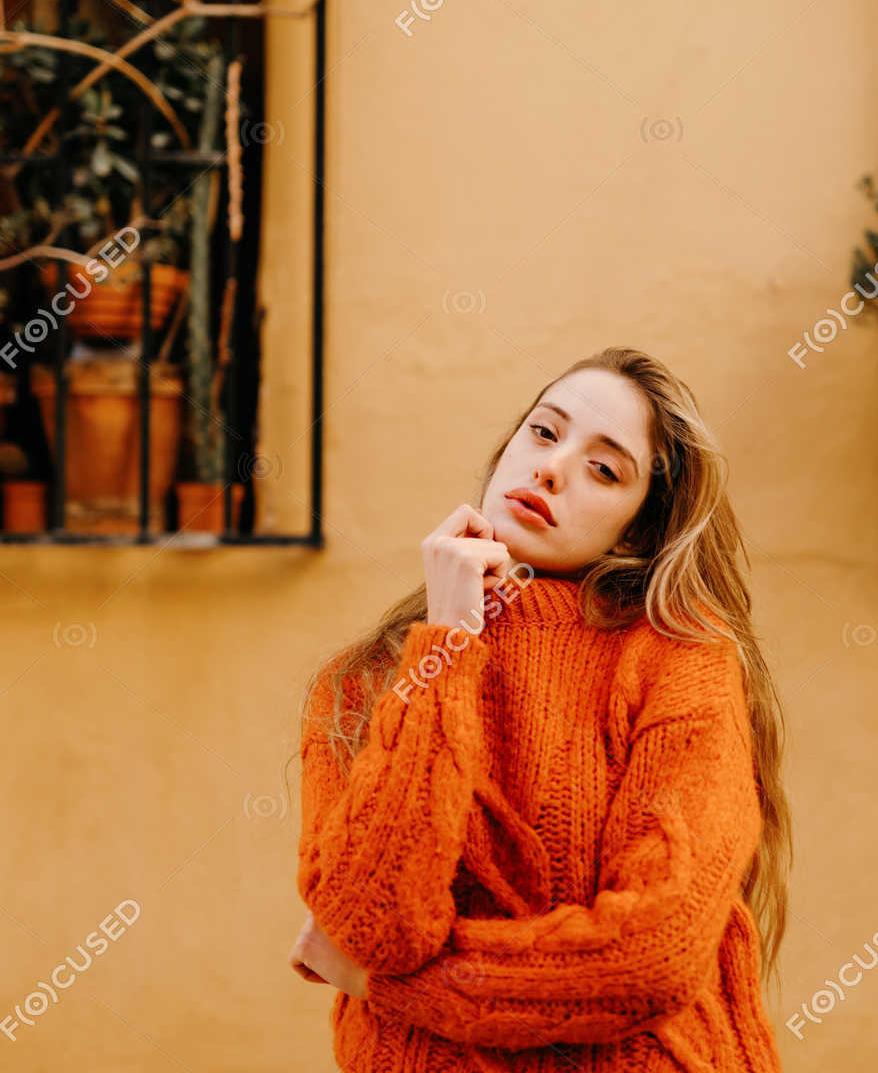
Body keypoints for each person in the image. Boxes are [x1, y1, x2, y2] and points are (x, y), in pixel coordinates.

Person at [289, 346, 790, 1071]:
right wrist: (450, 639)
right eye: (545, 432)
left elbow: (653, 958)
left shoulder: (678, 662)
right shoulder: (362, 683)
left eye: (605, 468)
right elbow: (374, 927)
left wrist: (401, 990)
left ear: (636, 528)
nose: (550, 468)